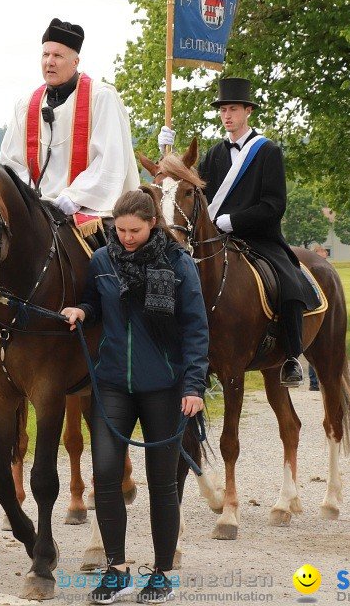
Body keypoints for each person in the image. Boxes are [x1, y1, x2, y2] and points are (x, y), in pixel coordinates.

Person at [61, 187, 209, 605]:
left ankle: (162, 574)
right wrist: (81, 311)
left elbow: (196, 328)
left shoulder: (179, 264)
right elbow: (93, 301)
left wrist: (194, 386)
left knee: (163, 484)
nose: (126, 237)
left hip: (165, 386)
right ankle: (117, 570)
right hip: (111, 384)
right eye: (120, 229)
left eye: (135, 230)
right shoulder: (102, 261)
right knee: (106, 477)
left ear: (152, 225)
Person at [187, 77, 319, 387]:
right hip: (216, 241)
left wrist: (231, 221)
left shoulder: (267, 150)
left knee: (289, 283)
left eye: (232, 109)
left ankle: (291, 356)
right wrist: (169, 154)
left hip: (259, 237)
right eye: (222, 110)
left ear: (248, 111)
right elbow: (192, 191)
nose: (226, 115)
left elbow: (274, 205)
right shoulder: (214, 154)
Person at [0, 17, 140, 220]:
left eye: (58, 55)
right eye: (45, 54)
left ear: (75, 62)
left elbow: (110, 159)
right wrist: (30, 196)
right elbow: (11, 163)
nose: (50, 62)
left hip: (91, 208)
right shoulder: (26, 104)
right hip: (38, 212)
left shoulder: (101, 97)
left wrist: (74, 197)